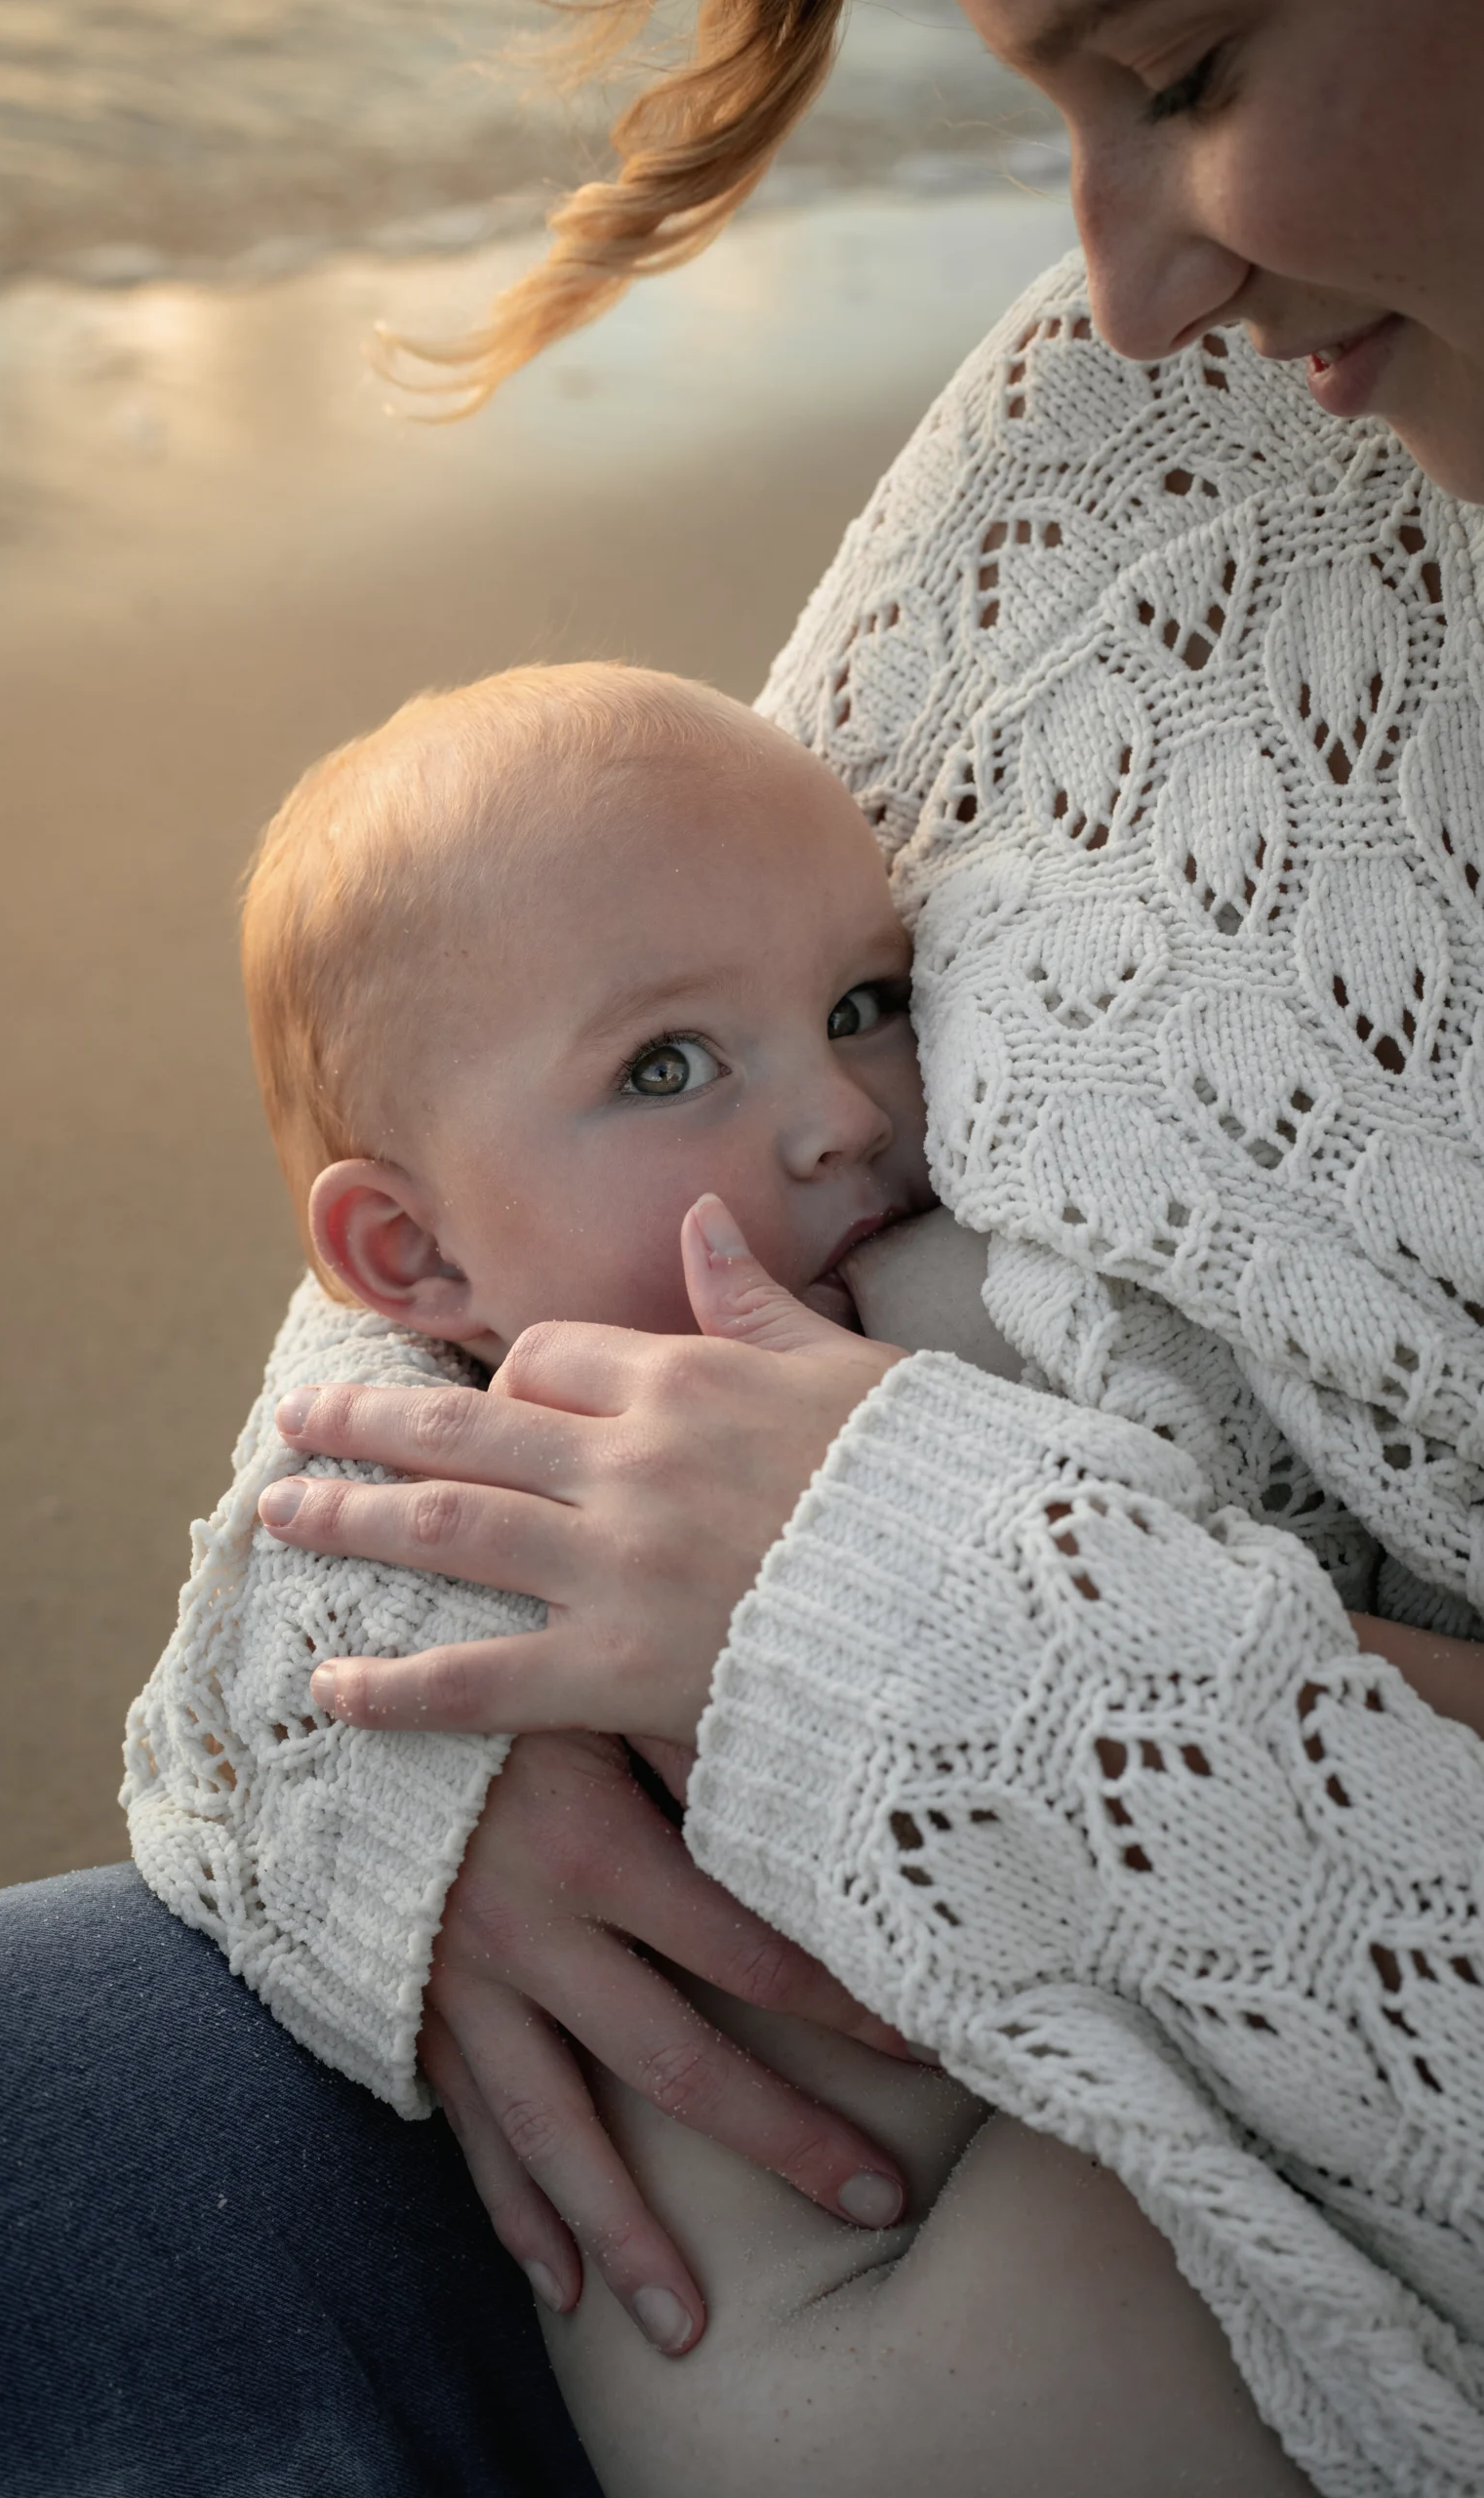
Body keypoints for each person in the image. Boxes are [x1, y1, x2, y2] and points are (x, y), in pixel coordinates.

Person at [0, 3, 1484, 2493]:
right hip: (545, 2133)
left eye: (1184, 66)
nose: (1121, 279)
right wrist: (411, 1719)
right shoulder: (1168, 440)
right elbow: (486, 1099)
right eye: (1039, 101)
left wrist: (940, 1618)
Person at [127, 655, 1484, 2498]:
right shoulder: (397, 1490)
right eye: (667, 1065)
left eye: (864, 1003)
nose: (844, 1111)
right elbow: (215, 1739)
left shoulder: (897, 1335)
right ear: (408, 1255)